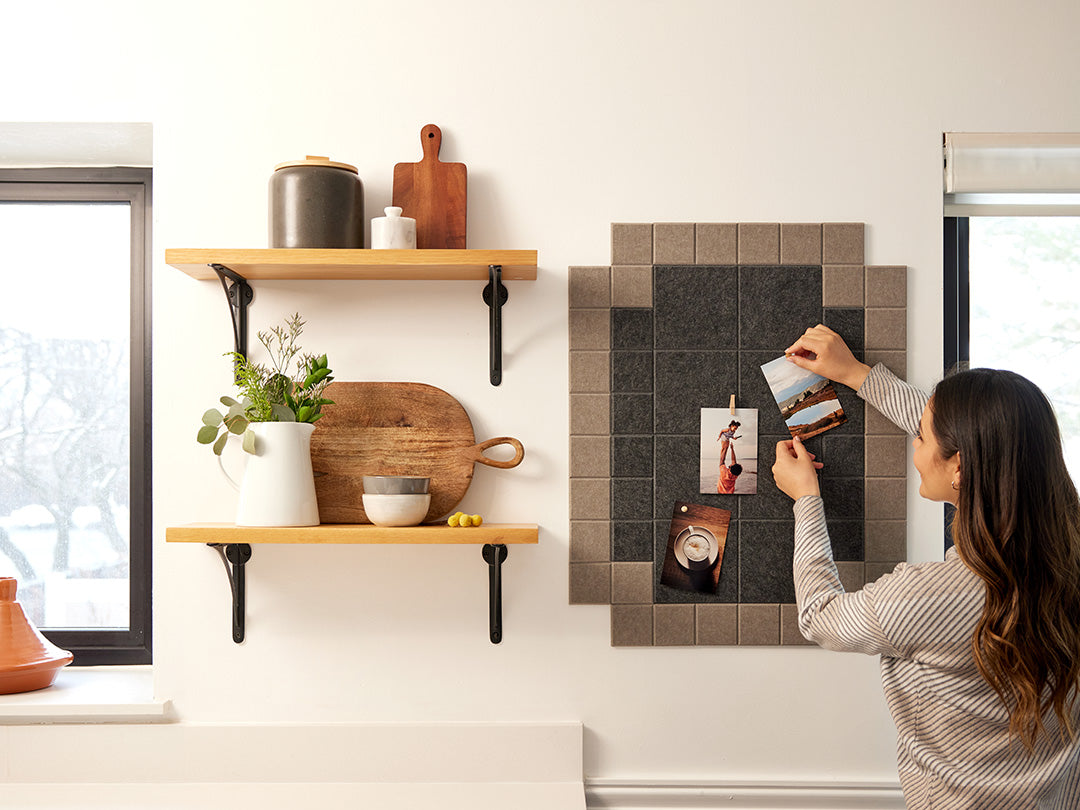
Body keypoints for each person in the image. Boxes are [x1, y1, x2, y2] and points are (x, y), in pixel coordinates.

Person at [771, 324, 1080, 808]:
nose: (914, 445)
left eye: (919, 437)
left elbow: (820, 617)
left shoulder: (929, 597)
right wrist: (856, 375)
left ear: (960, 467)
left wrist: (806, 499)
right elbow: (979, 440)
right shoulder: (1070, 553)